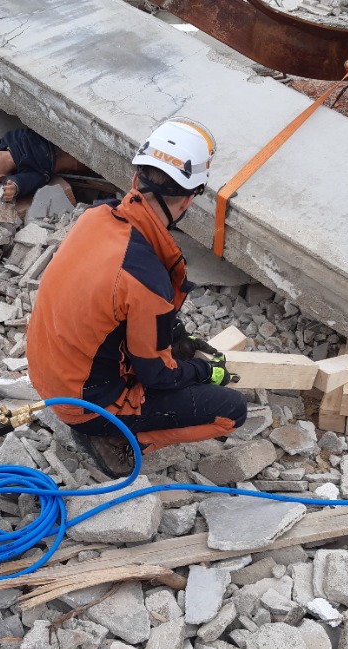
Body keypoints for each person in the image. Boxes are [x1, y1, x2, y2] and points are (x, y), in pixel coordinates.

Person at [26, 118, 247, 478]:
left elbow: (116, 309)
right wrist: (205, 371)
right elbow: (158, 375)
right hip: (86, 405)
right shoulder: (144, 278)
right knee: (231, 411)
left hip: (51, 377)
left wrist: (178, 339)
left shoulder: (96, 218)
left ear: (135, 178)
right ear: (188, 200)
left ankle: (99, 420)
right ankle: (119, 436)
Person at [0, 126, 86, 202]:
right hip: (48, 135)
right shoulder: (9, 139)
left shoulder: (31, 166)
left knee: (80, 162)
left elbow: (34, 179)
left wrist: (16, 185)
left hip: (57, 156)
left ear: (1, 177)